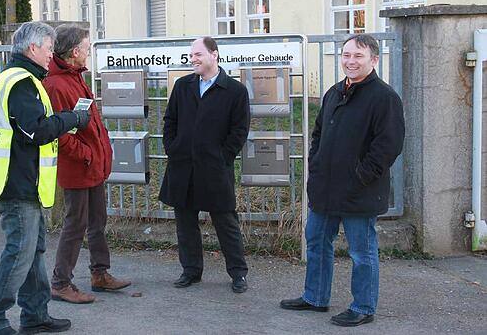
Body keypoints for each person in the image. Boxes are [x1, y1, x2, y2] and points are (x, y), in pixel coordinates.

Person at [280, 34, 405, 327]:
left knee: (362, 252)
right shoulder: (335, 92)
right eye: (346, 55)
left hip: (359, 190)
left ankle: (363, 306)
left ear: (374, 60)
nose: (350, 61)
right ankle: (315, 297)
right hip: (326, 187)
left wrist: (361, 175)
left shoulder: (384, 98)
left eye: (358, 56)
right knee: (317, 242)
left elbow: (388, 146)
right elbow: (319, 133)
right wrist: (317, 162)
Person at [0, 22, 91, 335]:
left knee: (33, 250)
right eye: (48, 48)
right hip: (16, 185)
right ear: (32, 49)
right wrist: (71, 119)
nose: (52, 54)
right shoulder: (22, 83)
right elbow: (36, 130)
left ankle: (35, 314)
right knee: (19, 252)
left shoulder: (22, 79)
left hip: (21, 182)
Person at [42, 24, 131, 304]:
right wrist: (88, 154)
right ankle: (60, 282)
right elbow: (60, 132)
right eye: (86, 47)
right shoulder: (56, 84)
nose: (89, 53)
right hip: (78, 167)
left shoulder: (75, 77)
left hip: (92, 166)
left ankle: (100, 273)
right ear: (75, 51)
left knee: (97, 221)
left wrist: (98, 154)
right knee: (75, 224)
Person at [159, 36, 251, 293]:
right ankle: (191, 271)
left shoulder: (234, 91)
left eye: (198, 54)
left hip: (214, 169)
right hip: (183, 166)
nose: (193, 59)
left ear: (215, 55)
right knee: (185, 223)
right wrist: (173, 148)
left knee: (225, 222)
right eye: (191, 55)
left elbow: (239, 130)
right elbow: (170, 121)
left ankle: (238, 273)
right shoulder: (183, 85)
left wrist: (222, 157)